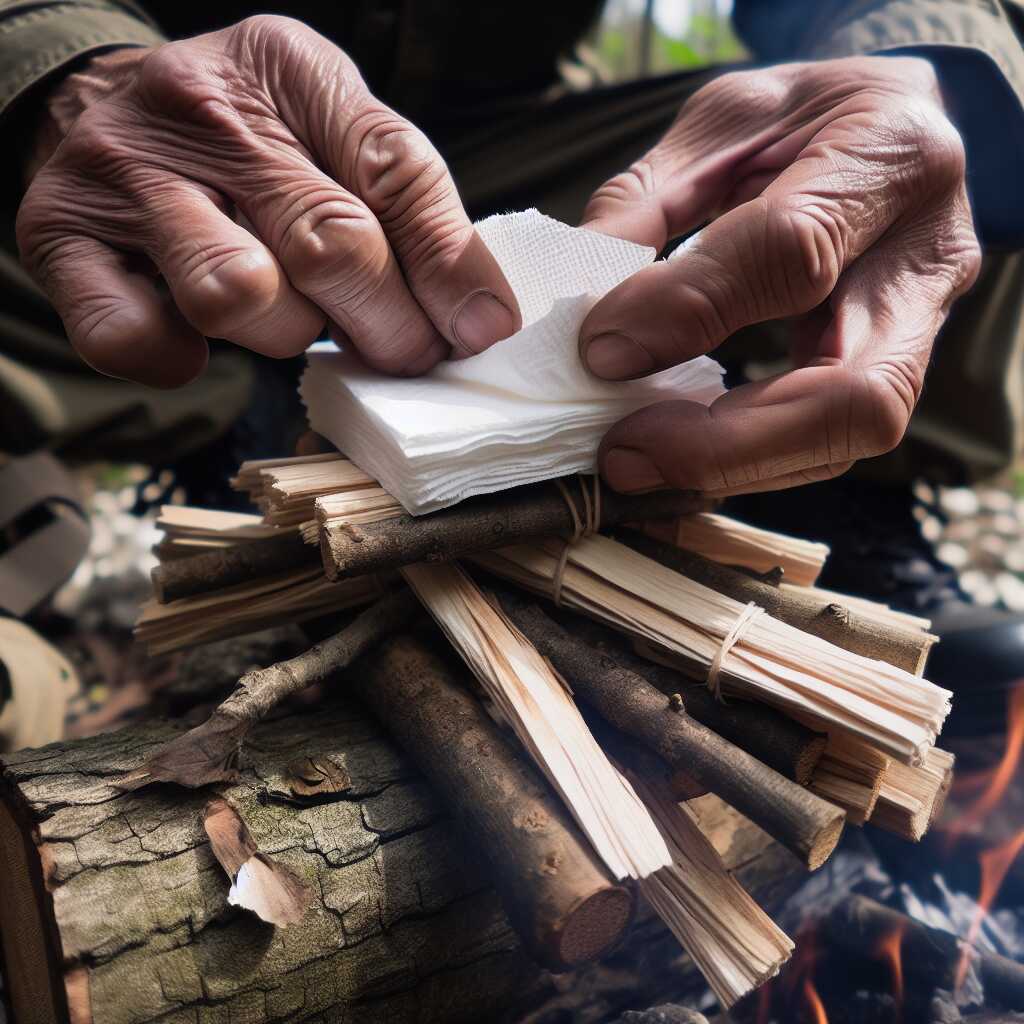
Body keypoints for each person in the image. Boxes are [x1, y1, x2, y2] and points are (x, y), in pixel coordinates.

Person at [1, 1, 1023, 730]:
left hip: (489, 177)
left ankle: (841, 500)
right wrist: (58, 63)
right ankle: (211, 435)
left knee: (960, 129)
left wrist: (924, 53)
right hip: (98, 181)